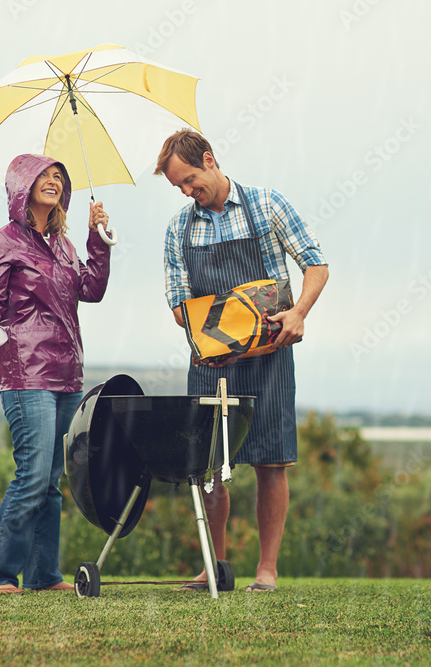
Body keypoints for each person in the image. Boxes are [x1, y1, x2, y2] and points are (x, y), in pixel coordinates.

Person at [156, 129, 328, 592]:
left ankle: (266, 571)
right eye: (179, 187)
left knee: (271, 461)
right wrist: (219, 331)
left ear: (210, 160)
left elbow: (316, 264)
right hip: (211, 362)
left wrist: (298, 312)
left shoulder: (267, 204)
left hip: (270, 356)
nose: (188, 192)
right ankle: (215, 566)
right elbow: (177, 304)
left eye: (191, 179)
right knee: (209, 465)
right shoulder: (178, 228)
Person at [0, 154, 111, 594]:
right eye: (45, 175)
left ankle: (43, 575)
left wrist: (98, 237)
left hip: (67, 373)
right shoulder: (3, 240)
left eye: (60, 176)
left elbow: (91, 290)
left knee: (52, 481)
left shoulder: (65, 245)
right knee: (33, 476)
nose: (54, 181)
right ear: (22, 185)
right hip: (26, 372)